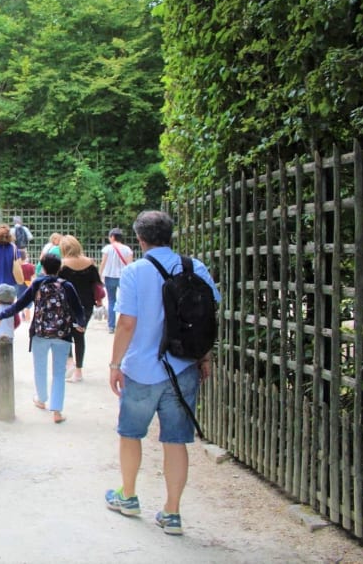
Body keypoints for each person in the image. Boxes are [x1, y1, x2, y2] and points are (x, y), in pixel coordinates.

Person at [105, 210, 220, 535]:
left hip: (142, 368)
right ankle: (172, 512)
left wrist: (115, 364)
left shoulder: (134, 272)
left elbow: (127, 323)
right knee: (175, 441)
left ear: (140, 239)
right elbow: (206, 316)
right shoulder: (194, 267)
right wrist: (205, 356)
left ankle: (127, 494)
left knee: (130, 434)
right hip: (183, 365)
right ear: (171, 234)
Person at [0, 253, 84, 425]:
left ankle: (41, 399)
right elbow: (77, 308)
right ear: (60, 268)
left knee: (40, 368)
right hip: (62, 334)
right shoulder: (67, 285)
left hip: (40, 333)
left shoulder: (37, 283)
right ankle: (57, 411)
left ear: (42, 267)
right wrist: (80, 323)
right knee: (59, 372)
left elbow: (19, 304)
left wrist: (1, 315)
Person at [57, 235, 102, 383]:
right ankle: (78, 371)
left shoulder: (62, 265)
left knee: (65, 333)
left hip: (67, 304)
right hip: (86, 305)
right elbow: (97, 284)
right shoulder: (90, 263)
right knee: (80, 336)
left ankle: (69, 361)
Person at [99, 228, 134, 334]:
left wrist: (100, 275)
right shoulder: (127, 249)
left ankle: (111, 326)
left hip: (110, 277)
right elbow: (130, 265)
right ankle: (126, 324)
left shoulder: (107, 248)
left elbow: (103, 263)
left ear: (112, 237)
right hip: (124, 277)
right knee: (126, 301)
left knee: (111, 301)